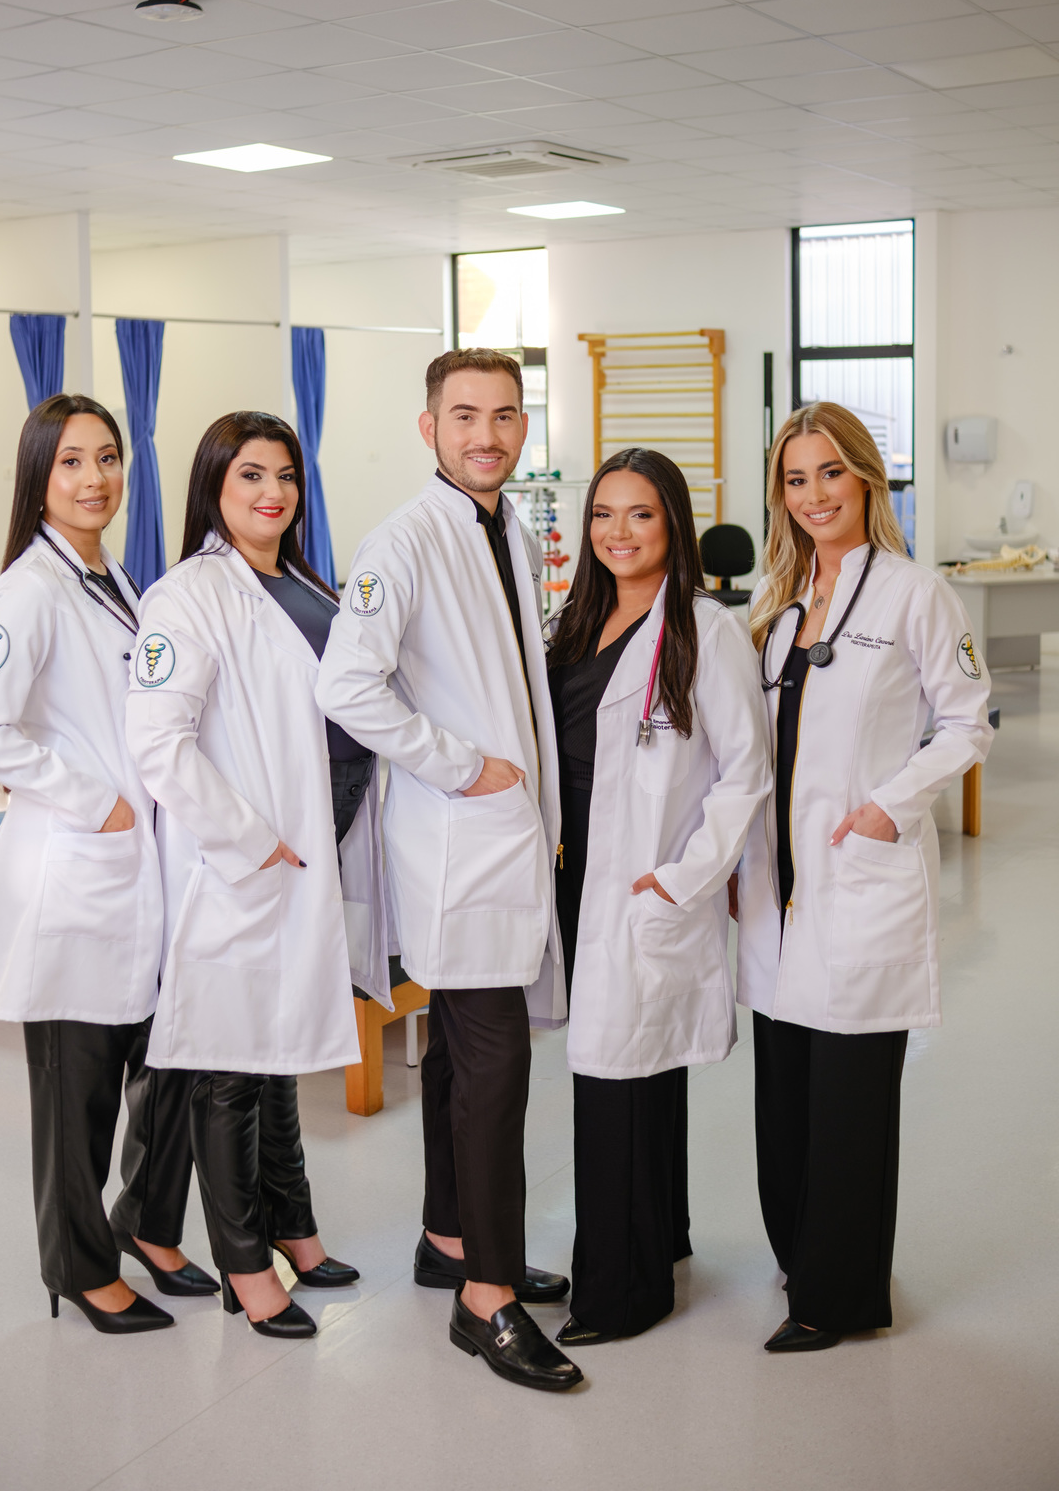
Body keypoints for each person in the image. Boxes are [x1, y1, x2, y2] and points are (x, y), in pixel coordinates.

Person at [317, 348, 582, 1394]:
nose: (488, 433)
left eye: (506, 415)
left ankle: (448, 1239)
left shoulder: (507, 525)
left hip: (503, 839)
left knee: (458, 1062)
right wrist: (462, 766)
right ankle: (488, 1296)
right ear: (429, 427)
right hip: (458, 846)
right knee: (495, 1064)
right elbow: (347, 685)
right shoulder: (403, 540)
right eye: (465, 415)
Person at [0, 394, 215, 1334]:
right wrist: (94, 800)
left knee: (167, 1062)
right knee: (78, 1094)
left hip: (135, 871)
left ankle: (144, 1221)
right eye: (71, 462)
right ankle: (77, 1265)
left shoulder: (112, 576)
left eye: (107, 457)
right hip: (74, 872)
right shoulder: (30, 588)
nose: (95, 478)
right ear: (39, 478)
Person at [736, 402, 993, 1353]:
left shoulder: (917, 594)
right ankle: (799, 1255)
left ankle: (835, 1299)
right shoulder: (775, 602)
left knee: (849, 1102)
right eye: (795, 479)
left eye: (830, 473)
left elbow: (968, 722)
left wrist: (893, 804)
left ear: (866, 478)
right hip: (779, 889)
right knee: (784, 1097)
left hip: (859, 874)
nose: (814, 495)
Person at [126, 411, 384, 1341]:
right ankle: (247, 1268)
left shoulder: (305, 582)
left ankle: (295, 1231)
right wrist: (248, 840)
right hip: (247, 856)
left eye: (285, 475)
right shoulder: (187, 597)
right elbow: (159, 744)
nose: (273, 493)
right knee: (233, 1065)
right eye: (250, 476)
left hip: (320, 837)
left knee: (280, 1058)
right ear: (214, 487)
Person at [546, 448, 770, 1346]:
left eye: (640, 514)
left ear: (673, 523)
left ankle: (621, 1294)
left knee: (619, 1078)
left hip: (644, 876)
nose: (618, 533)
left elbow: (747, 773)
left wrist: (684, 877)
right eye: (603, 514)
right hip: (575, 873)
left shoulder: (706, 630)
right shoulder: (574, 622)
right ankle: (661, 1241)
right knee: (637, 1072)